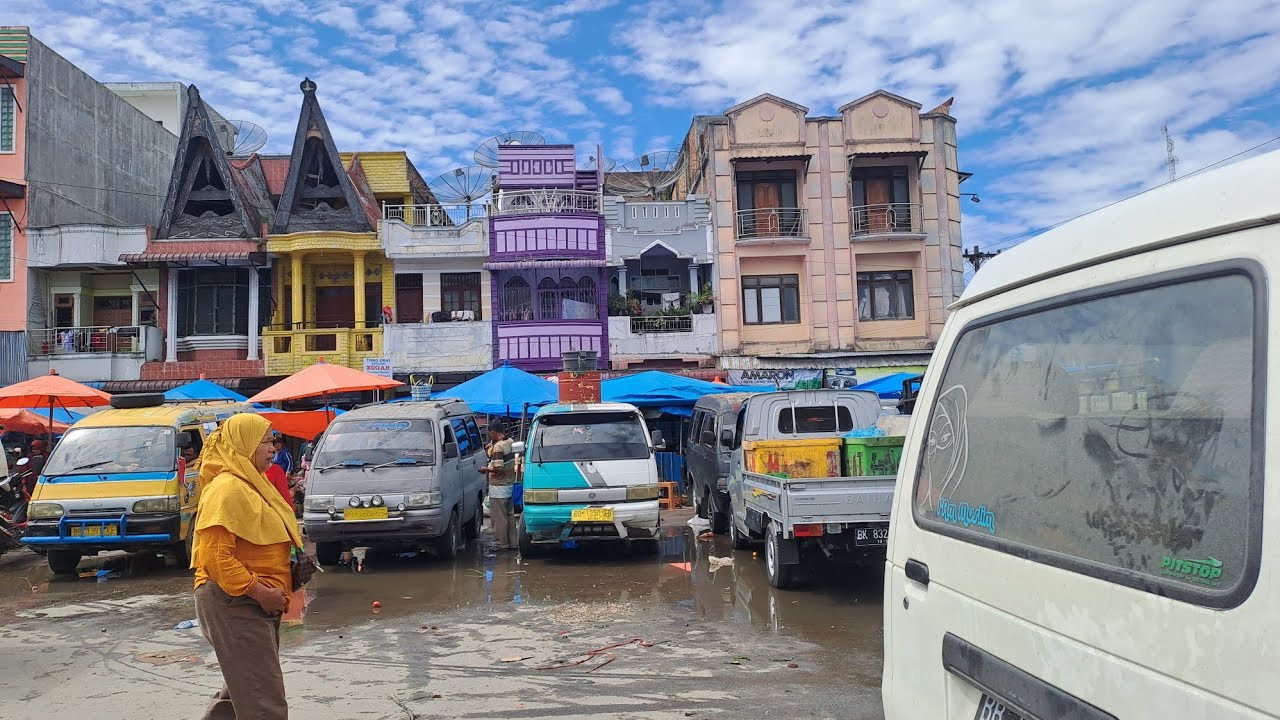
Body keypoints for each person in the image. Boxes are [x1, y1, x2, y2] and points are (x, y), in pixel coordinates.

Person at [191, 414, 302, 720]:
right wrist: (259, 592)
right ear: (245, 444)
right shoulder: (227, 488)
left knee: (243, 691)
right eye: (265, 442)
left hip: (253, 601)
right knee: (263, 703)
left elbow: (258, 543)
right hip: (236, 601)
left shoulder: (253, 483)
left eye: (272, 441)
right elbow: (215, 558)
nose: (272, 448)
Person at [479, 422, 517, 551]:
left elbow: (498, 468)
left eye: (490, 433)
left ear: (493, 432)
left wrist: (485, 469)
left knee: (499, 517)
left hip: (499, 486)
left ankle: (502, 544)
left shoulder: (498, 447)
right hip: (509, 484)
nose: (489, 436)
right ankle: (513, 543)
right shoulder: (510, 441)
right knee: (509, 516)